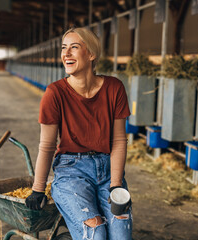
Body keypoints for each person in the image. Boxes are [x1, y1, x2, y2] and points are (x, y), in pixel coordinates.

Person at [25, 27, 132, 240]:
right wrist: (38, 188)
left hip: (108, 170)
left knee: (121, 236)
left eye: (74, 47)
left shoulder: (114, 88)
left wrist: (116, 184)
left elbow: (119, 140)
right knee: (95, 231)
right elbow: (47, 146)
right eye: (64, 48)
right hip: (71, 170)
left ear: (91, 54)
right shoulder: (54, 93)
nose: (66, 54)